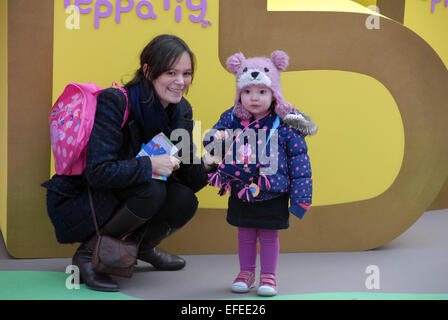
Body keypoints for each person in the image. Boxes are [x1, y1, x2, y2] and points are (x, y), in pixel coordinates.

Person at [42, 34, 217, 292]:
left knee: (184, 199)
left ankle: (140, 248)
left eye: (187, 73)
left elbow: (191, 178)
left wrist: (213, 161)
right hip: (82, 201)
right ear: (148, 71)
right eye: (171, 72)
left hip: (126, 195)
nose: (181, 82)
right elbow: (97, 172)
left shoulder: (181, 110)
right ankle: (89, 254)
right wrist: (150, 165)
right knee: (152, 188)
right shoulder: (116, 101)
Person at [203, 50, 317, 296]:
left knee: (267, 236)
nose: (254, 98)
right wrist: (217, 139)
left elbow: (300, 164)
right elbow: (211, 142)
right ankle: (246, 272)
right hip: (241, 188)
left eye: (262, 92)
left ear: (274, 93)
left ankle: (268, 276)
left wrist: (300, 197)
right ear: (239, 94)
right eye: (247, 92)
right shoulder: (232, 120)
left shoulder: (285, 125)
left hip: (272, 191)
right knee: (244, 234)